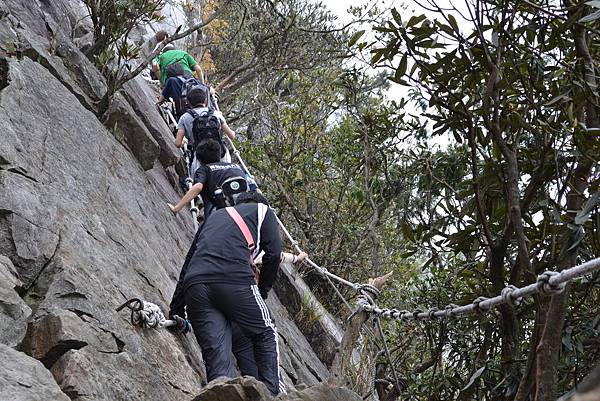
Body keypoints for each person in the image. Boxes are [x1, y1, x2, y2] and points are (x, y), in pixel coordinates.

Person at [169, 190, 284, 395]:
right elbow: (274, 255)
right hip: (234, 281)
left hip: (196, 287)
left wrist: (176, 308)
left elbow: (188, 261)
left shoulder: (215, 216)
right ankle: (271, 394)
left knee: (219, 367)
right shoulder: (263, 210)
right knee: (266, 330)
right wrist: (262, 292)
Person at [168, 139, 245, 219]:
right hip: (244, 208)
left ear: (200, 160)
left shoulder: (205, 169)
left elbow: (198, 187)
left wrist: (176, 208)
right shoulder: (238, 167)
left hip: (220, 211)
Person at [175, 88, 235, 167]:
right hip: (221, 154)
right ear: (206, 101)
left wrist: (184, 142)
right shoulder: (216, 114)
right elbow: (231, 136)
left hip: (201, 158)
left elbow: (178, 143)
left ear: (188, 103)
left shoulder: (184, 117)